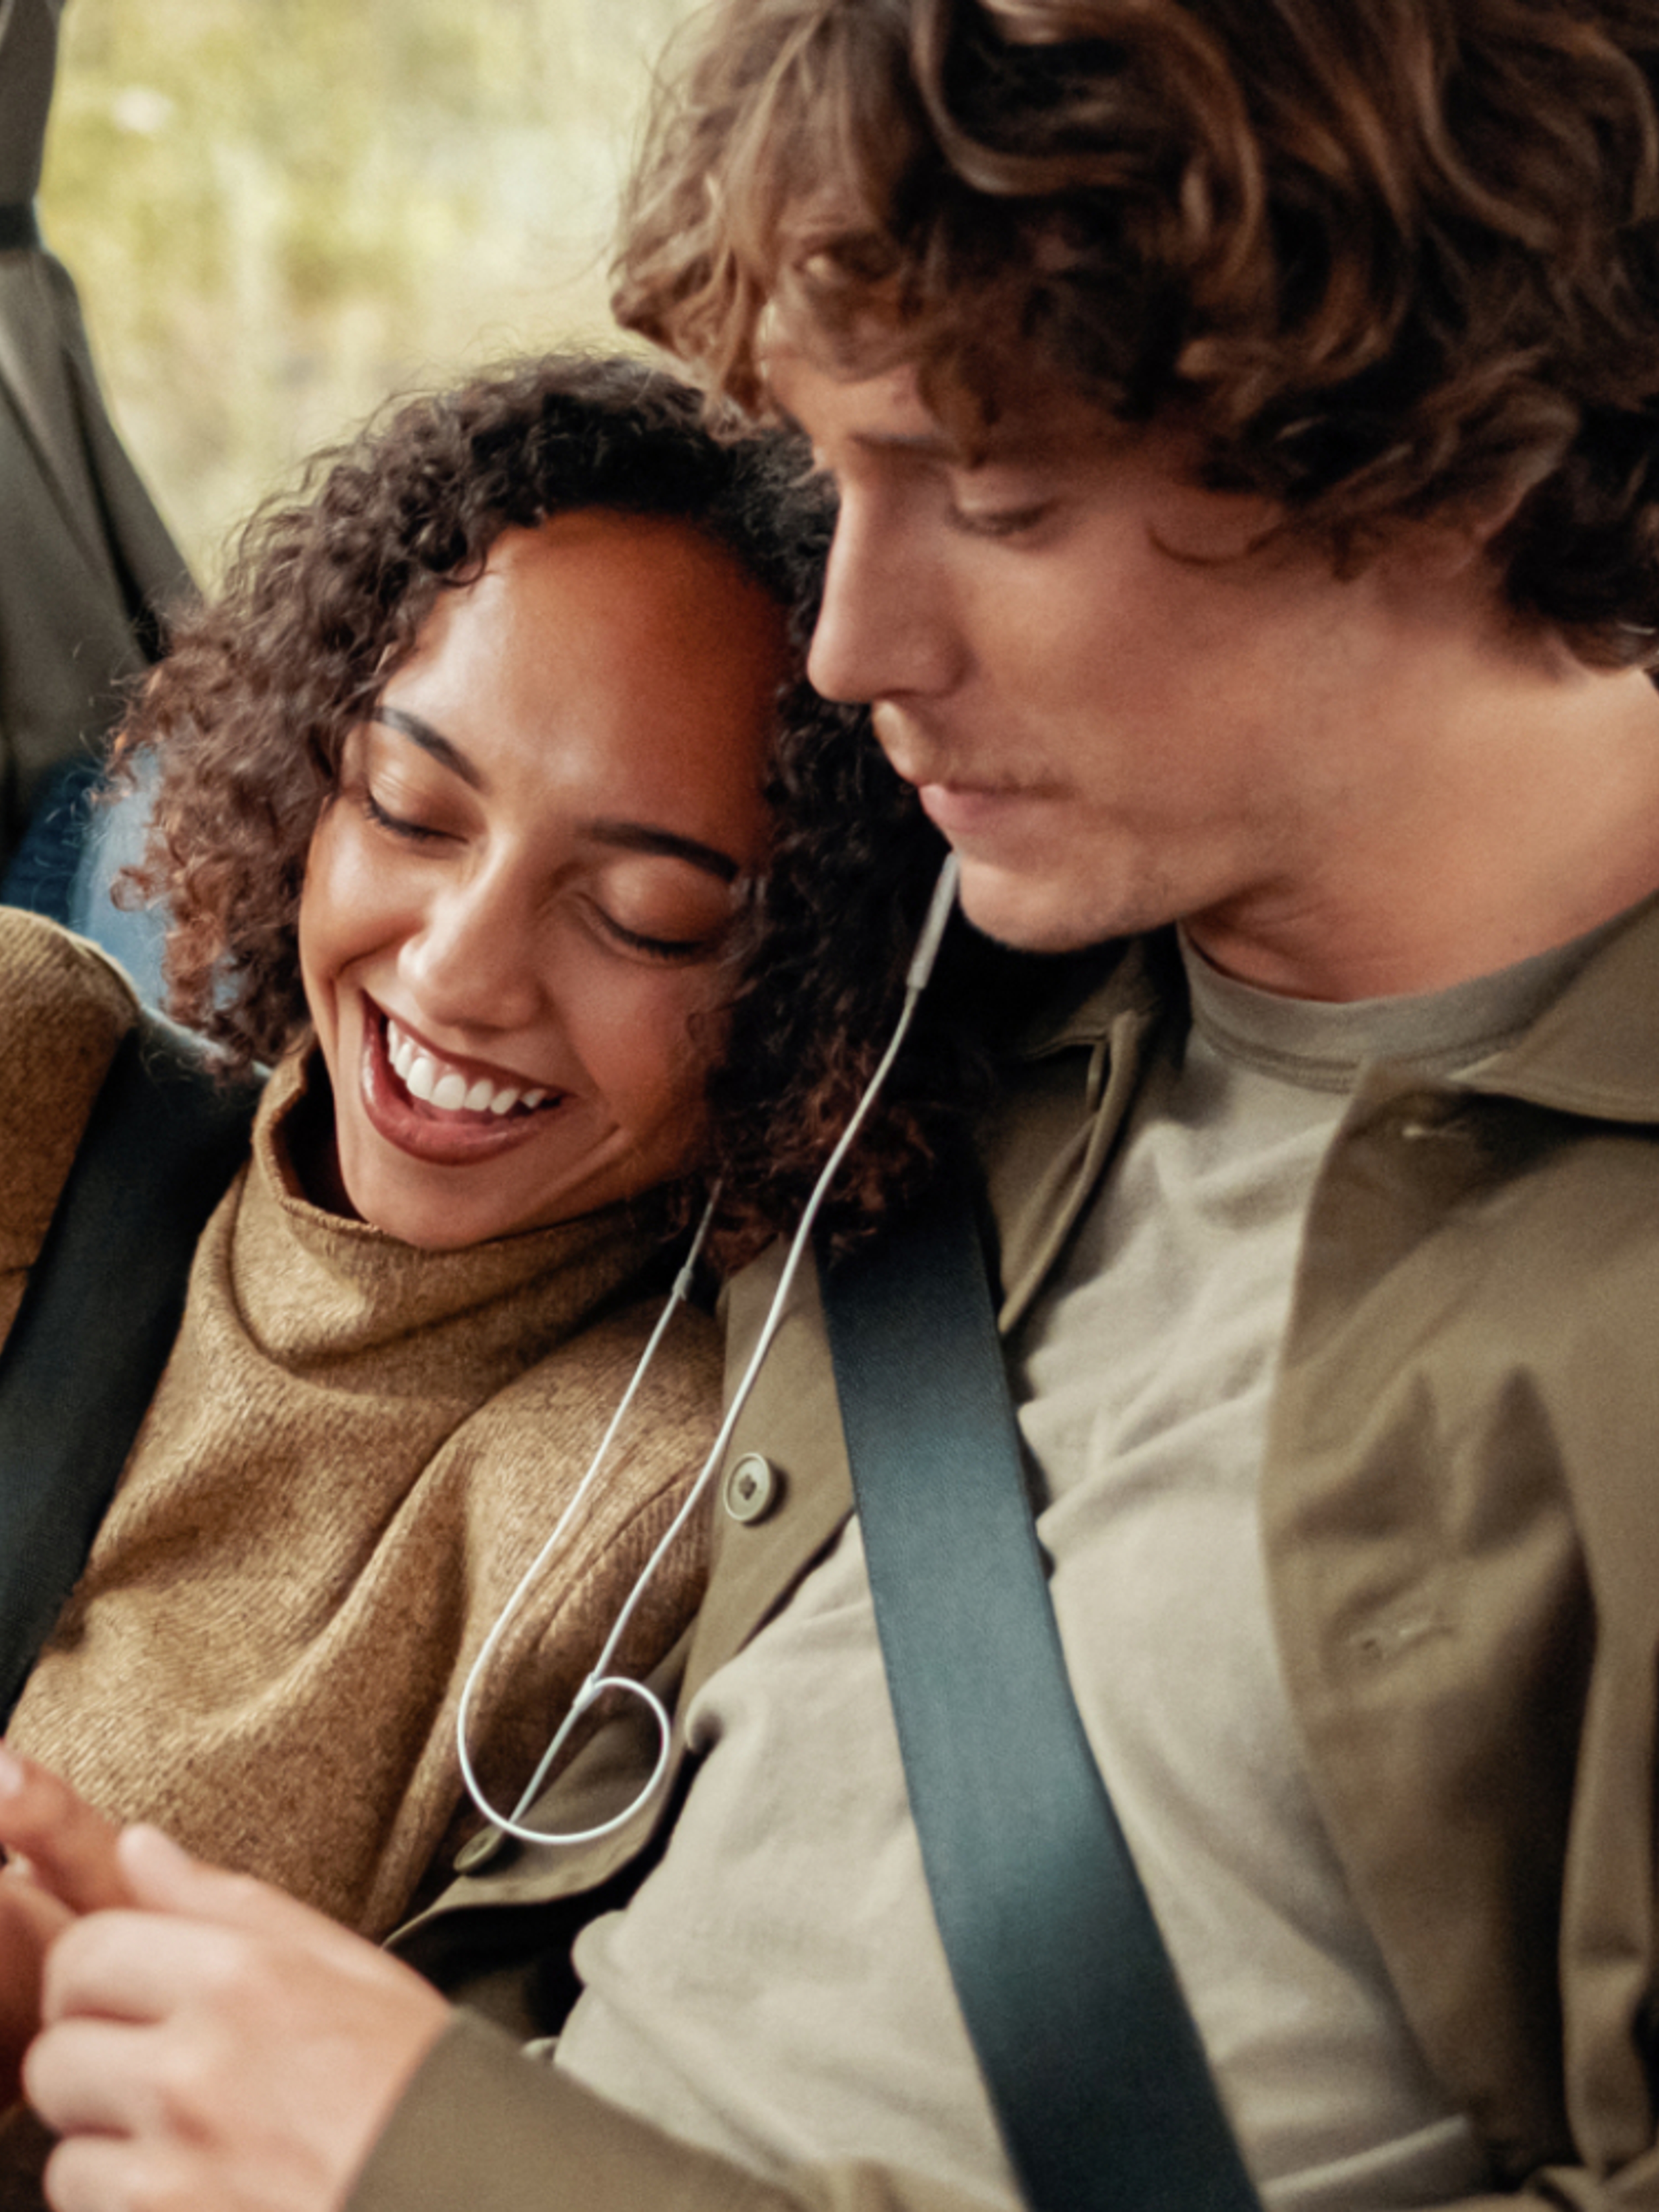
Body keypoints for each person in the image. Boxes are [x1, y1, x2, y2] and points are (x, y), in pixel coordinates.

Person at [7, 3, 1659, 2209]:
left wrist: (440, 2161)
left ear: (1433, 460)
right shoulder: (936, 995)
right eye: (831, 468)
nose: (852, 644)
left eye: (991, 497)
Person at [0, 346, 846, 1959]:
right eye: (410, 807)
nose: (459, 968)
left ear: (813, 982)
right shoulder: (29, 1058)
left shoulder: (626, 1517)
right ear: (311, 769)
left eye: (647, 915)